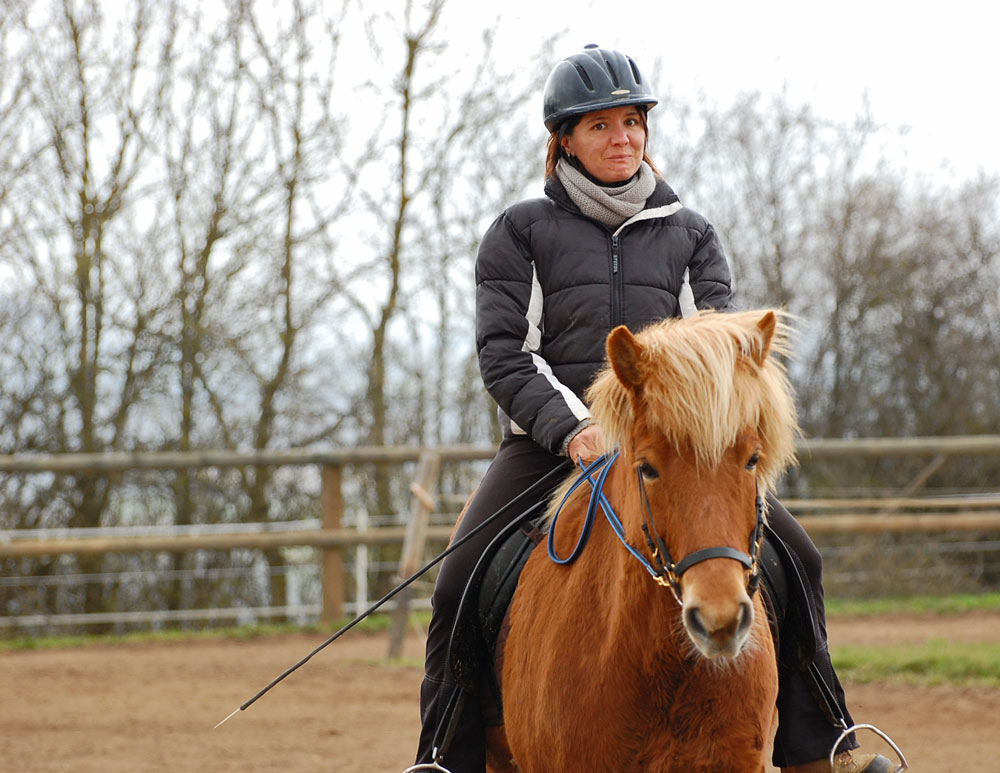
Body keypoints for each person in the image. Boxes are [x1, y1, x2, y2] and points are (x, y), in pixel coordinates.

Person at [414, 45, 892, 773]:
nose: (622, 138)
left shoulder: (691, 233)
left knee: (800, 560)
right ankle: (442, 757)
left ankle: (823, 745)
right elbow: (506, 353)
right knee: (460, 580)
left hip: (678, 449)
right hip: (551, 444)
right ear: (564, 140)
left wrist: (677, 422)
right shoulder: (520, 232)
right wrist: (575, 428)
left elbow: (725, 349)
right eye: (601, 125)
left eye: (632, 122)